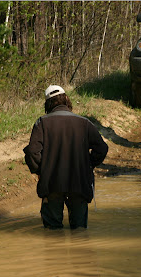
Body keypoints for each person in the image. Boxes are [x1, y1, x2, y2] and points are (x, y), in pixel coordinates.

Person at [23, 85, 108, 229]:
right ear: (66, 99)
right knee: (80, 230)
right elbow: (102, 148)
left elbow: (32, 151)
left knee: (52, 231)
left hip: (51, 184)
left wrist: (40, 170)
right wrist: (88, 165)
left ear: (47, 104)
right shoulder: (84, 123)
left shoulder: (42, 123)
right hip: (80, 183)